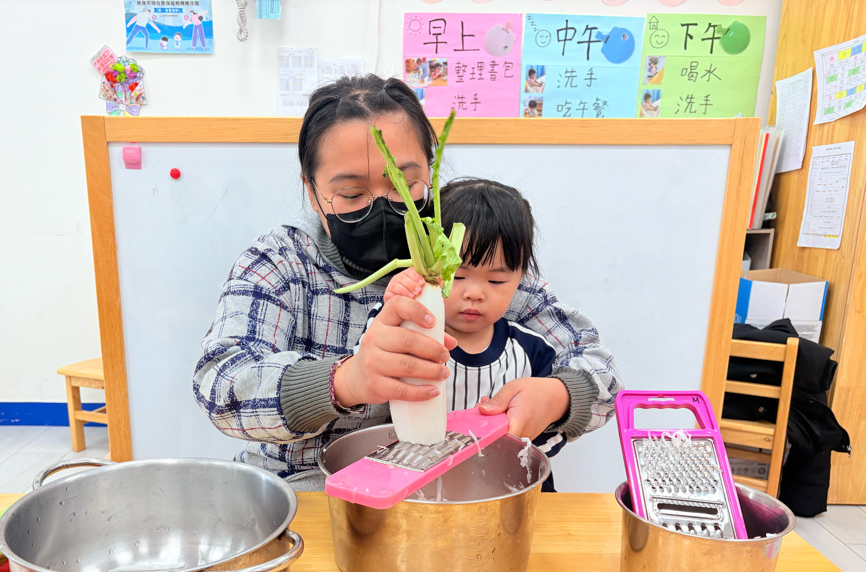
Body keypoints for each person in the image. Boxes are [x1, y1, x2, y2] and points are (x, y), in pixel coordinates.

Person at [194, 75, 621, 490]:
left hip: (448, 490)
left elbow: (601, 370)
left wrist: (560, 395)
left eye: (406, 184)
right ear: (312, 192)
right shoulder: (282, 263)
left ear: (430, 176)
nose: (382, 206)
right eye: (351, 194)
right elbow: (219, 385)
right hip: (310, 492)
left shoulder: (463, 258)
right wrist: (346, 380)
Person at [369, 180, 567, 487]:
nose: (475, 293)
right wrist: (401, 307)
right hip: (419, 490)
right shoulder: (406, 332)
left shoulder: (532, 351)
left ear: (521, 279)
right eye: (458, 275)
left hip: (507, 490)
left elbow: (545, 440)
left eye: (496, 281)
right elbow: (367, 372)